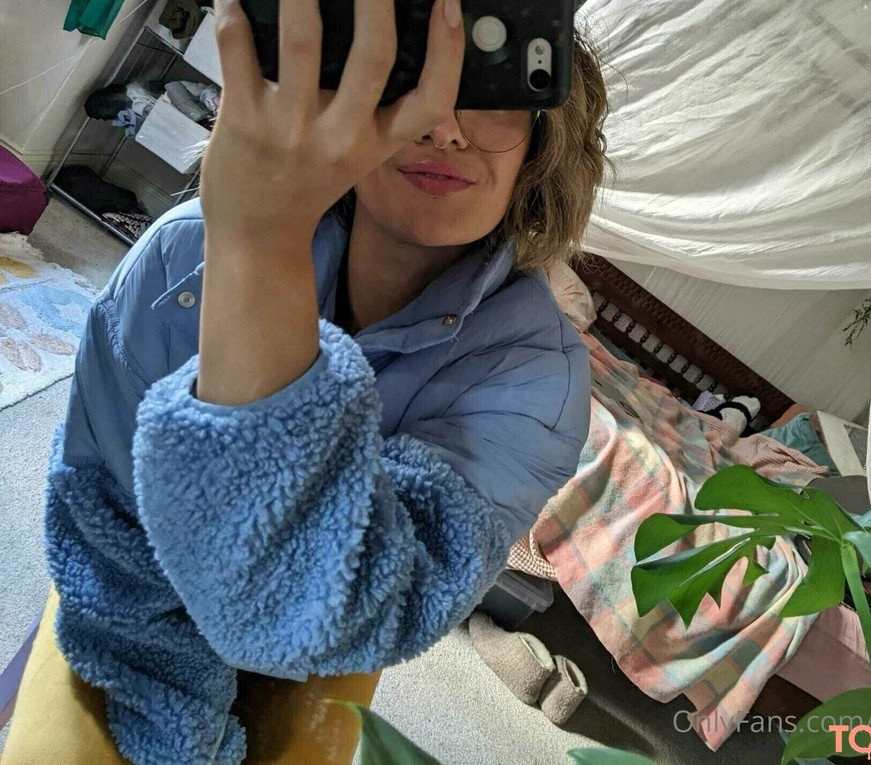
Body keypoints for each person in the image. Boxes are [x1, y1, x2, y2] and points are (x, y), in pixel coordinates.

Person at [1, 0, 610, 762]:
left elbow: (342, 612)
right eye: (413, 77)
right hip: (126, 613)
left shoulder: (538, 382)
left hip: (315, 664)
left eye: (492, 91)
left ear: (539, 147)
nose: (446, 126)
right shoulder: (185, 259)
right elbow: (104, 518)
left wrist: (263, 248)